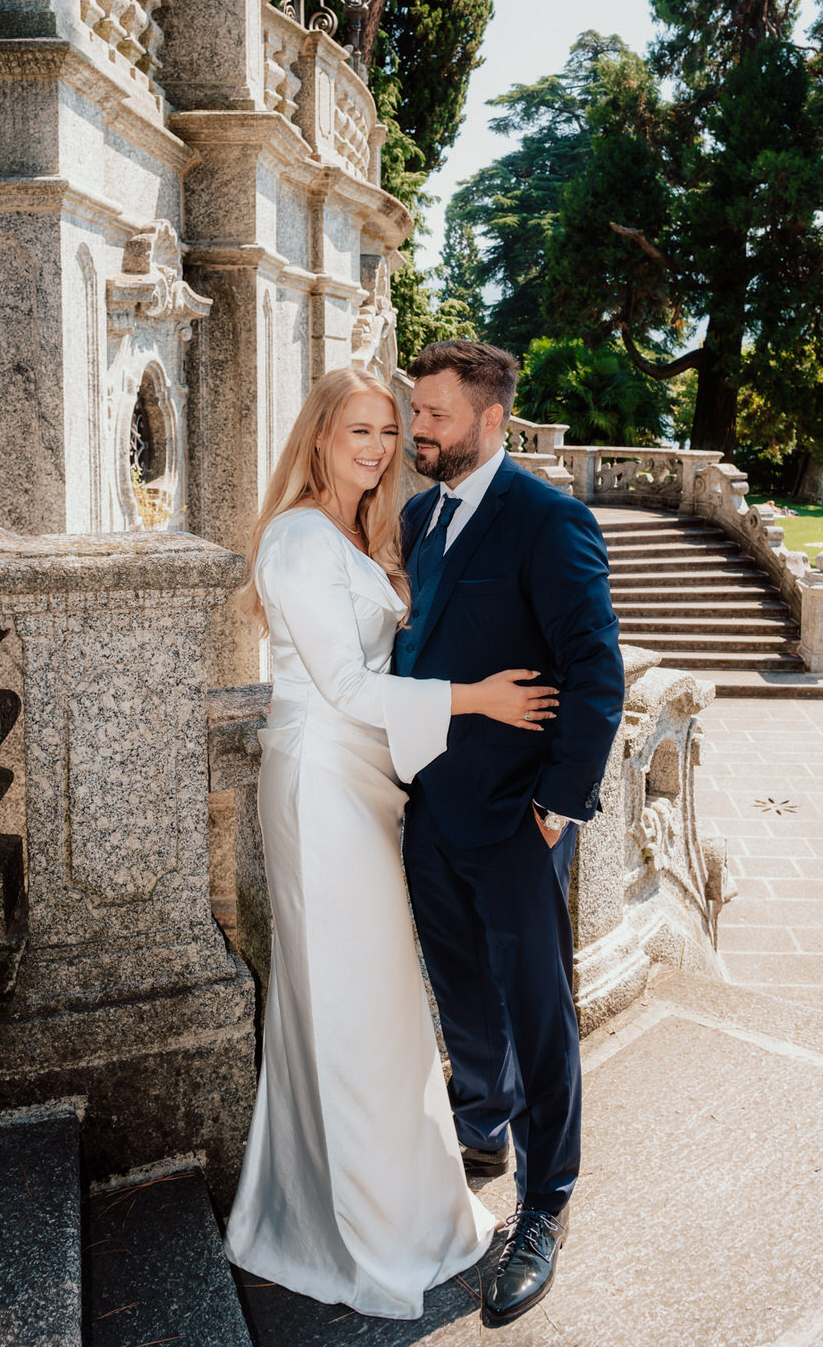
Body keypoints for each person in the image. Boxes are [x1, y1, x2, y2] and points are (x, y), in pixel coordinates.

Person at [222, 366, 559, 1321]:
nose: (377, 447)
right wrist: (478, 699)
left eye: (387, 429)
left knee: (369, 1007)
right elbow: (343, 686)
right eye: (357, 430)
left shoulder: (361, 530)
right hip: (321, 785)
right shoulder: (296, 538)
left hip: (363, 786)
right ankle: (366, 1238)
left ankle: (368, 1210)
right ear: (318, 437)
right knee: (350, 1008)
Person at [395, 340, 626, 1328]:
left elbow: (597, 673)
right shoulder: (420, 517)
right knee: (458, 989)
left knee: (538, 1015)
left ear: (490, 421)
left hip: (517, 820)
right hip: (430, 811)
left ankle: (545, 1202)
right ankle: (480, 1126)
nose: (417, 428)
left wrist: (554, 810)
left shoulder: (549, 520)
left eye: (434, 414)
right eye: (416, 410)